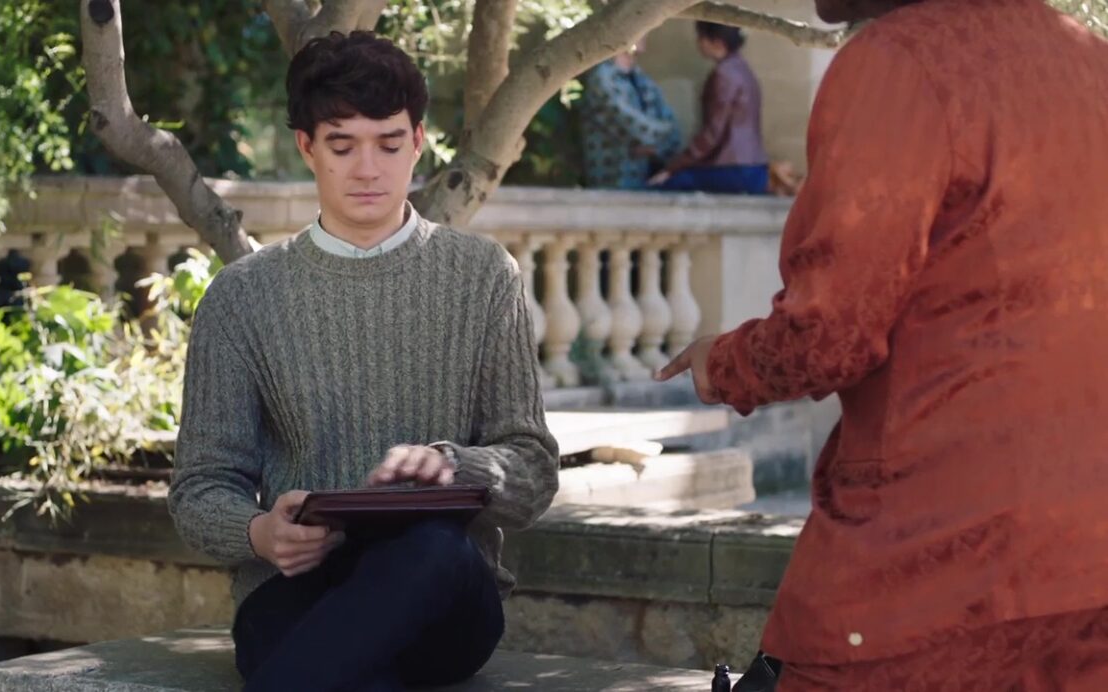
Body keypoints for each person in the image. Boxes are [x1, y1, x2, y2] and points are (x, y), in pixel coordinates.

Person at [657, 0, 1108, 689]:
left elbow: (829, 333)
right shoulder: (1091, 62)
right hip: (1084, 559)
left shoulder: (902, 61)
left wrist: (723, 363)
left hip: (935, 554)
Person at [167, 31, 560, 692]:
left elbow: (534, 470)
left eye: (388, 143)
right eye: (343, 146)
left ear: (419, 142)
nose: (368, 169)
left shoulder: (484, 277)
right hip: (297, 590)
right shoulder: (241, 297)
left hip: (444, 595)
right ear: (307, 147)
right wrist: (260, 533)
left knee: (429, 548)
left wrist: (452, 466)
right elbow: (200, 487)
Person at [649, 22, 769, 194]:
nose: (698, 43)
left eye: (701, 37)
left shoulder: (724, 74)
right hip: (756, 169)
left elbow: (712, 133)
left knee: (662, 185)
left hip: (733, 169)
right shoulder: (743, 69)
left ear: (717, 43)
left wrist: (673, 167)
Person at [579, 37, 682, 189]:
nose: (645, 34)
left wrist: (656, 148)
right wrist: (658, 141)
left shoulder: (641, 77)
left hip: (645, 180)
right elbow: (638, 129)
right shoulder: (602, 77)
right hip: (614, 183)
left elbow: (673, 129)